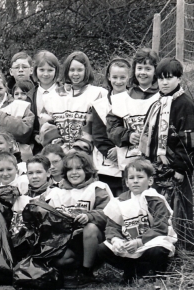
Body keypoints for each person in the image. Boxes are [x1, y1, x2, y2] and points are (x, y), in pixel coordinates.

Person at [139, 57, 194, 250]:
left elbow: (191, 141)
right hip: (157, 167)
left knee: (181, 210)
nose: (164, 82)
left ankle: (185, 249)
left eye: (169, 78)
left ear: (179, 78)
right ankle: (161, 247)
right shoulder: (158, 103)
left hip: (177, 168)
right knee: (160, 210)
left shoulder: (185, 105)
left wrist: (181, 168)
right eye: (161, 78)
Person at [97, 158, 177, 281]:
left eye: (140, 177)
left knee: (158, 250)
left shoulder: (156, 200)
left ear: (150, 180)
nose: (135, 181)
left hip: (150, 242)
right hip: (129, 243)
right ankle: (132, 270)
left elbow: (160, 227)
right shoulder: (119, 201)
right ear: (126, 182)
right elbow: (112, 226)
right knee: (102, 249)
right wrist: (116, 240)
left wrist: (139, 241)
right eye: (131, 178)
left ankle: (156, 273)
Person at [45, 151, 113, 288]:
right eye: (69, 169)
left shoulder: (97, 188)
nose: (74, 173)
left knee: (90, 228)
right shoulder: (56, 191)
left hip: (94, 240)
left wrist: (90, 216)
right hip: (68, 240)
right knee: (63, 260)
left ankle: (86, 272)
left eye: (78, 168)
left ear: (87, 170)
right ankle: (69, 273)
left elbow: (109, 213)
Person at [107, 49, 161, 174]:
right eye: (140, 68)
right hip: (130, 165)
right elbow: (112, 128)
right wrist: (128, 135)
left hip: (155, 164)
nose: (143, 72)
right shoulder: (121, 98)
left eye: (148, 69)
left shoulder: (162, 97)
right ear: (134, 70)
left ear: (155, 71)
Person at [42, 51, 107, 151]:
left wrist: (77, 149)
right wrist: (60, 149)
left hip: (87, 155)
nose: (75, 74)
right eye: (72, 70)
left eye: (80, 70)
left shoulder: (98, 94)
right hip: (58, 155)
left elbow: (94, 127)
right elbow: (46, 125)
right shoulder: (52, 96)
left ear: (86, 70)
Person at [89, 58, 131, 197]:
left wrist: (121, 149)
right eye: (115, 77)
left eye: (122, 77)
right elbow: (98, 135)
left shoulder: (136, 101)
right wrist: (111, 152)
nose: (118, 81)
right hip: (107, 163)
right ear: (108, 77)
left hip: (130, 158)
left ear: (129, 77)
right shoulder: (100, 104)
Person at [31, 50, 60, 154]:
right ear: (35, 70)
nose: (46, 74)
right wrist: (34, 135)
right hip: (38, 147)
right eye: (41, 69)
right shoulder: (31, 95)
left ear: (56, 71)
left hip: (60, 144)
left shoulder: (64, 92)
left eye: (50, 70)